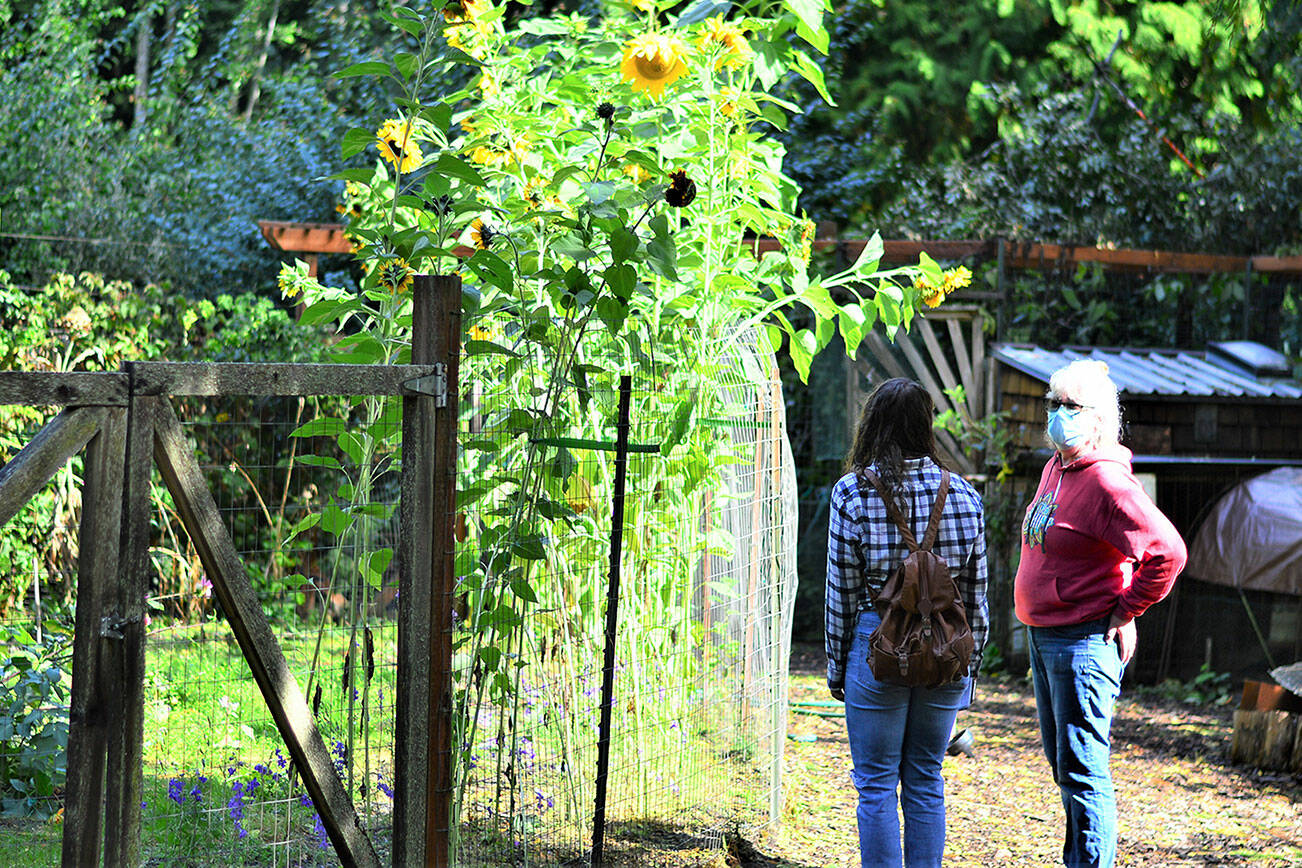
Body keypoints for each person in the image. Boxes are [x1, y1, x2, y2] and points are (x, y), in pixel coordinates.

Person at [1015, 359, 1187, 868]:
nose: (1058, 415)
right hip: (1044, 638)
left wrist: (1127, 607)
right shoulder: (1056, 465)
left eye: (1071, 407)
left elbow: (1168, 553)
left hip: (1082, 644)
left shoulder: (1109, 484)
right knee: (1064, 767)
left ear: (1098, 418)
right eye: (1054, 404)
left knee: (1084, 772)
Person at [826, 377, 988, 868]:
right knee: (925, 777)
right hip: (945, 656)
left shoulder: (853, 493)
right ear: (926, 427)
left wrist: (838, 669)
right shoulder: (963, 495)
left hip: (877, 653)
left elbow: (842, 594)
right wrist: (969, 672)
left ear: (873, 424)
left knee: (875, 783)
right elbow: (977, 598)